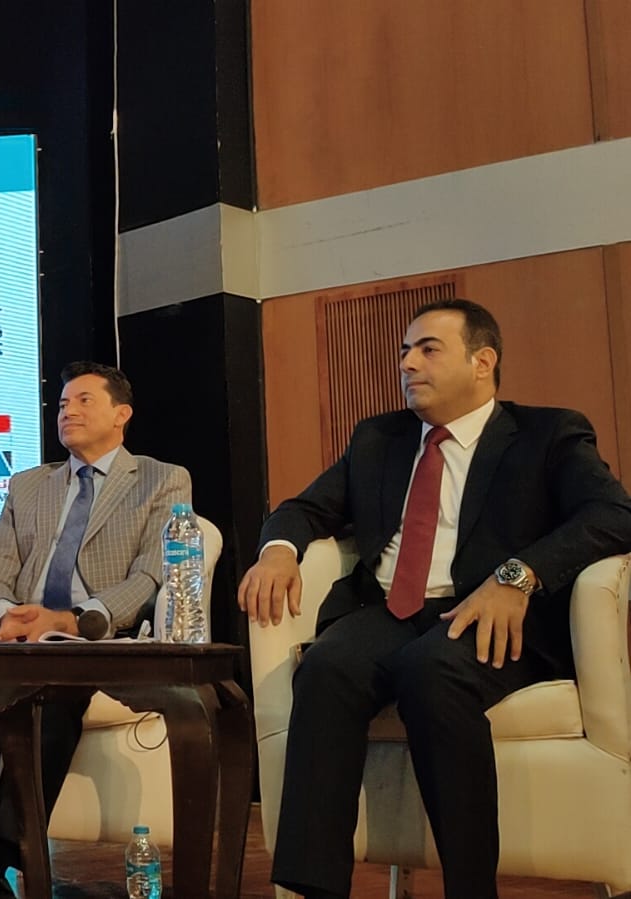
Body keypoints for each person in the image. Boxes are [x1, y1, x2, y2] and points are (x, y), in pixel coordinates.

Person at [238, 299, 631, 898]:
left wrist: (518, 575)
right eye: (404, 351)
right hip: (389, 609)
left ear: (483, 361)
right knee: (325, 667)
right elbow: (304, 508)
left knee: (432, 671)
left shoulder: (547, 433)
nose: (407, 363)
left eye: (427, 349)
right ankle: (313, 888)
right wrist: (278, 552)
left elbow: (614, 515)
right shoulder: (379, 438)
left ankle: (471, 889)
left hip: (489, 615)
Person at [0, 361, 191, 898]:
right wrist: (6, 613)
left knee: (50, 706)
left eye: (84, 401)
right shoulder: (28, 484)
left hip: (95, 638)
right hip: (17, 634)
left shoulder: (160, 479)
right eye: (63, 404)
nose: (67, 411)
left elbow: (152, 573)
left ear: (121, 414)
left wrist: (74, 619)